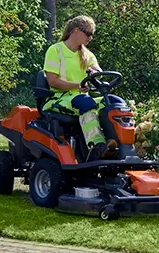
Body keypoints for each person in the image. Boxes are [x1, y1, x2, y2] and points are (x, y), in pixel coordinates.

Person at [43, 15, 118, 161]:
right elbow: (52, 81)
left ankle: (119, 145)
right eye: (88, 33)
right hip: (60, 98)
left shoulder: (87, 55)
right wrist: (77, 86)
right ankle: (97, 147)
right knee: (85, 102)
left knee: (114, 102)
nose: (91, 38)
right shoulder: (55, 50)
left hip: (82, 98)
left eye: (92, 34)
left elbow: (97, 70)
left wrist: (95, 72)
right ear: (76, 31)